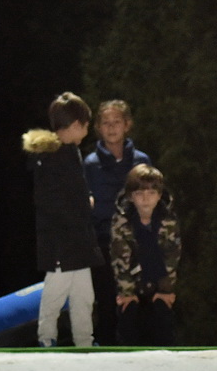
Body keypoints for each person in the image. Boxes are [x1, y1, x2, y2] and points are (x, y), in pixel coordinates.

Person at [21, 92, 103, 347]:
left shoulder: (69, 152)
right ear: (77, 124)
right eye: (86, 125)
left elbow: (73, 192)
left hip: (78, 242)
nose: (87, 130)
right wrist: (83, 204)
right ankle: (46, 339)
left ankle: (84, 342)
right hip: (60, 242)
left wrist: (84, 200)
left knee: (84, 297)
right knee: (54, 295)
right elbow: (51, 201)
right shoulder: (51, 157)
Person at [83, 100, 152, 345]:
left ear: (127, 125)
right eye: (106, 123)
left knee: (138, 301)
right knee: (106, 301)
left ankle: (139, 351)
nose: (112, 128)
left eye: (117, 122)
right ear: (98, 128)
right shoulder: (90, 164)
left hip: (136, 243)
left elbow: (152, 199)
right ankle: (107, 352)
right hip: (103, 243)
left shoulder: (141, 161)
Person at [110, 164, 181, 346]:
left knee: (164, 324)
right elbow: (120, 258)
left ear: (159, 195)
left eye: (151, 193)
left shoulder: (168, 220)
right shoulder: (121, 221)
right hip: (131, 282)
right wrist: (127, 292)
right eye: (139, 194)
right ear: (131, 197)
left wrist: (165, 291)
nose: (145, 199)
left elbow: (172, 257)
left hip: (159, 281)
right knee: (128, 320)